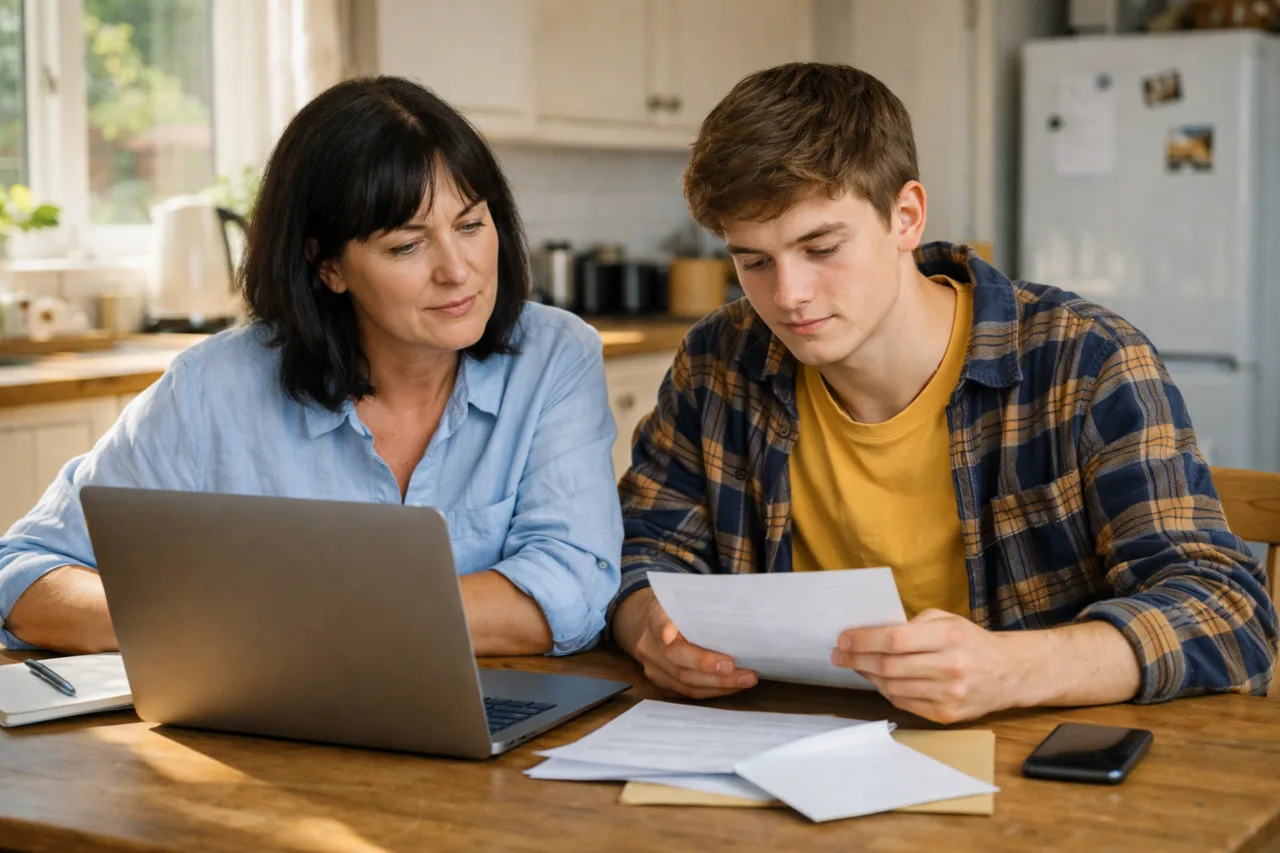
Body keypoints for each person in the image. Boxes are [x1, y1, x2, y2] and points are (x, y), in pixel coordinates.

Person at [609, 63, 1277, 722]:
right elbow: (641, 551)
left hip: (1036, 778)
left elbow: (1227, 608)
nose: (787, 296)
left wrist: (1010, 667)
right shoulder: (718, 361)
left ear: (906, 216)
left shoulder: (1085, 362)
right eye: (753, 261)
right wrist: (650, 628)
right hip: (781, 757)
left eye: (821, 248)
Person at [0, 76, 622, 657]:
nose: (457, 271)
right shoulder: (212, 390)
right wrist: (221, 626)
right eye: (406, 245)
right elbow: (25, 575)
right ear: (327, 265)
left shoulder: (554, 357)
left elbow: (572, 586)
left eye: (471, 225)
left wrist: (308, 622)